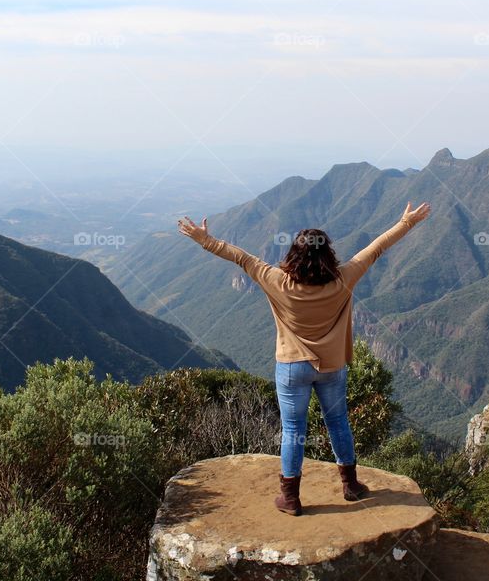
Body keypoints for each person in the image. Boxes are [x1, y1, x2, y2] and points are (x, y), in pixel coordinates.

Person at [177, 201, 431, 516]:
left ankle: (291, 498)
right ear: (328, 255)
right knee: (338, 422)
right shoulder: (344, 279)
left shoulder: (276, 281)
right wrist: (407, 222)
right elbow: (377, 248)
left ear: (294, 254)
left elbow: (241, 257)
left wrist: (205, 240)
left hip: (292, 367)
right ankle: (350, 485)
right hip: (332, 366)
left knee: (294, 429)